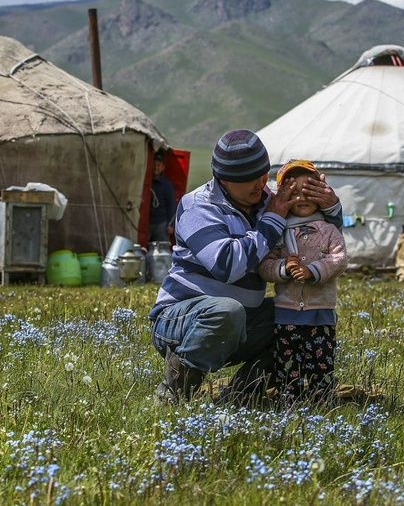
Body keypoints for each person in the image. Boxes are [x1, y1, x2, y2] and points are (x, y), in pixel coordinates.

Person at [149, 130, 342, 404]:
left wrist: (331, 206)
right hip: (179, 320)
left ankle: (241, 395)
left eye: (263, 176)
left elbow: (318, 239)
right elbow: (227, 265)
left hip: (242, 321)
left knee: (300, 317)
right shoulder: (198, 206)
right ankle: (175, 392)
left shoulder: (267, 202)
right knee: (227, 310)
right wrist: (273, 220)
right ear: (224, 180)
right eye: (249, 180)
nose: (260, 184)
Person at [259, 160, 348, 405]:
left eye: (308, 191)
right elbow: (265, 265)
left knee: (321, 364)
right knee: (288, 366)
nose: (301, 198)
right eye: (293, 192)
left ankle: (321, 404)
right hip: (286, 314)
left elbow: (339, 259)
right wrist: (283, 268)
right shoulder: (278, 232)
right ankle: (290, 404)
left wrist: (314, 271)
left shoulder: (328, 230)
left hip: (321, 312)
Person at [148, 150, 176, 243]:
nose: (156, 167)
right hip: (146, 223)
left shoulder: (167, 185)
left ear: (163, 167)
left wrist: (171, 225)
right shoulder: (146, 183)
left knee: (163, 250)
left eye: (159, 165)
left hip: (161, 224)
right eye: (154, 164)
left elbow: (171, 205)